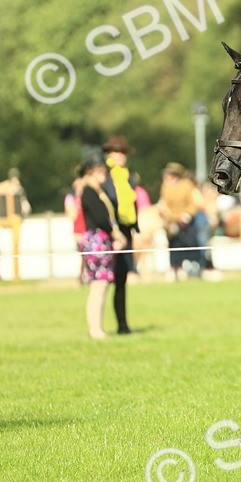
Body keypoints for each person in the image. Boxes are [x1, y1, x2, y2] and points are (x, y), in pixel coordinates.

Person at [78, 155, 127, 339]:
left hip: (101, 239)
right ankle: (95, 329)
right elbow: (100, 219)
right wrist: (116, 234)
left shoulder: (97, 191)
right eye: (99, 171)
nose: (103, 174)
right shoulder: (89, 191)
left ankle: (97, 328)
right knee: (98, 286)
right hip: (97, 241)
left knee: (102, 286)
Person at [101, 135, 139, 334]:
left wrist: (134, 228)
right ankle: (97, 326)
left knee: (121, 280)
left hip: (125, 230)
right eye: (116, 151)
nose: (120, 156)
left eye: (122, 152)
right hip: (108, 232)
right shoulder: (103, 176)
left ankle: (122, 324)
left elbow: (132, 204)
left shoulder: (128, 176)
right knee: (103, 282)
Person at [157, 162, 200, 281]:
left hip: (187, 220)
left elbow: (192, 203)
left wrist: (186, 215)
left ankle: (191, 267)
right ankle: (175, 267)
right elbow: (164, 204)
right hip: (172, 221)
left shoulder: (186, 185)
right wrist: (170, 218)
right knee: (173, 244)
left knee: (189, 242)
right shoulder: (165, 186)